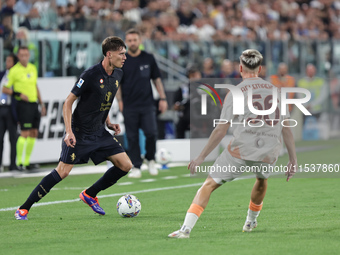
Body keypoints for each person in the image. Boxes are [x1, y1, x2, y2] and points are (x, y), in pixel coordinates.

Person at [168, 49, 298, 238]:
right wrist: (293, 159)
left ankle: (185, 229)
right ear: (260, 69)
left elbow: (221, 129)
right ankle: (251, 221)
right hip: (268, 150)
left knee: (209, 184)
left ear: (240, 68)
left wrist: (200, 157)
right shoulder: (277, 91)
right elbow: (286, 127)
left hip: (241, 149)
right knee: (262, 179)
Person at [14, 36, 133, 220]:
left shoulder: (118, 74)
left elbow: (104, 100)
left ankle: (90, 194)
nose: (125, 57)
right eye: (121, 54)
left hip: (99, 131)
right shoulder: (90, 74)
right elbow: (68, 103)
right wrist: (69, 131)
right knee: (62, 172)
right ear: (109, 54)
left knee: (125, 165)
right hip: (80, 133)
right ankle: (24, 208)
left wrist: (108, 122)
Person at [116, 28, 168, 178]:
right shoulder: (122, 60)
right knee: (132, 137)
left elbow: (157, 79)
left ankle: (151, 159)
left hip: (147, 104)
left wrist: (163, 98)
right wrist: (119, 102)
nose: (132, 43)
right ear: (126, 42)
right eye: (129, 40)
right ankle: (136, 166)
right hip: (129, 105)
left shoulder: (148, 58)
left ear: (140, 41)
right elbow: (118, 83)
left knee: (151, 133)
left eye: (135, 40)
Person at [2, 46, 46, 170]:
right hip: (22, 105)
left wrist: (41, 103)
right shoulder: (14, 71)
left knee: (34, 132)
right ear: (18, 56)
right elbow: (4, 88)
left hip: (33, 104)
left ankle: (27, 162)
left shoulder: (32, 68)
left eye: (26, 55)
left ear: (29, 55)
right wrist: (18, 94)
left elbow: (35, 86)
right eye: (22, 55)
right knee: (24, 132)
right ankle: (20, 162)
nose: (24, 57)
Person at [0, 53, 18, 171]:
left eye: (9, 61)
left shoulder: (17, 75)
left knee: (13, 138)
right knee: (0, 138)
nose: (7, 63)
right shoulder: (2, 74)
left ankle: (12, 165)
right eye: (6, 61)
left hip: (11, 110)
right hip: (1, 108)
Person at [173, 65, 201, 139]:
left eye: (195, 74)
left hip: (201, 116)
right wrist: (180, 106)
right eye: (192, 74)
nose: (194, 76)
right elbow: (175, 105)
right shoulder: (183, 88)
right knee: (179, 126)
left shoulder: (204, 88)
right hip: (186, 116)